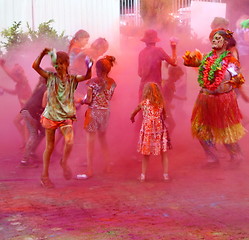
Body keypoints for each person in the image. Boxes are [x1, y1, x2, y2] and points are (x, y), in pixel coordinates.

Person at [183, 29, 246, 168]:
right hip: (205, 99)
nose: (214, 41)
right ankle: (212, 157)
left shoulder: (231, 60)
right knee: (200, 129)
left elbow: (238, 80)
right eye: (213, 38)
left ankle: (236, 155)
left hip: (223, 100)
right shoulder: (207, 57)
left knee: (224, 130)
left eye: (218, 38)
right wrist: (189, 59)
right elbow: (191, 63)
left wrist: (242, 94)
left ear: (225, 42)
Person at [32, 48, 93, 188]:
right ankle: (45, 176)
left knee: (69, 141)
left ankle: (64, 162)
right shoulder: (50, 77)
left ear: (67, 64)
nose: (58, 66)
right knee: (50, 146)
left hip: (65, 116)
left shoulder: (72, 79)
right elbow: (35, 66)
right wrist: (42, 53)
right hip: (51, 116)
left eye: (61, 63)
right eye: (56, 64)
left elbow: (86, 76)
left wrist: (89, 65)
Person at [76, 55, 116, 180]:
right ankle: (108, 164)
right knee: (103, 139)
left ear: (97, 69)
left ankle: (89, 170)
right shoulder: (112, 83)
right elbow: (109, 98)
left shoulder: (92, 82)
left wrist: (80, 101)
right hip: (105, 112)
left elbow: (88, 100)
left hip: (93, 113)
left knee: (90, 143)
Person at [130, 82, 172, 182]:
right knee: (164, 153)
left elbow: (134, 112)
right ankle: (165, 175)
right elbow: (165, 115)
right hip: (159, 129)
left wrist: (132, 118)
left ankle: (143, 175)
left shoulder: (144, 103)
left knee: (146, 154)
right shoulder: (161, 103)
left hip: (148, 129)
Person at [138, 29, 177, 101]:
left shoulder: (141, 53)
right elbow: (174, 63)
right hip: (155, 87)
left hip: (143, 87)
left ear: (145, 41)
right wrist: (173, 49)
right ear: (155, 40)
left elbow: (140, 73)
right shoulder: (159, 50)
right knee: (157, 109)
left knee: (144, 109)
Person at [0, 60, 32, 147]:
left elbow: (12, 76)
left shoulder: (23, 79)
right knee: (17, 122)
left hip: (28, 107)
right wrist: (4, 88)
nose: (17, 70)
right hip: (26, 108)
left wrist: (2, 66)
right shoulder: (19, 83)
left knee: (25, 126)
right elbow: (15, 92)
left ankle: (28, 148)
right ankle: (26, 143)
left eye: (18, 69)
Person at [20, 73, 48, 166]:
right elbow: (45, 104)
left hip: (27, 111)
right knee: (34, 134)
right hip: (32, 112)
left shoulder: (40, 87)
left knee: (43, 132)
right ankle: (25, 159)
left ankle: (31, 152)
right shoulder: (47, 88)